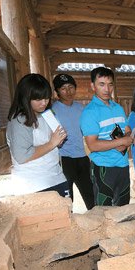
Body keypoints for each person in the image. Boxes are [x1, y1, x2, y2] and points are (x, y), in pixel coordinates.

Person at [6, 73, 69, 196]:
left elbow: (55, 143)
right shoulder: (19, 120)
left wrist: (59, 140)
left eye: (46, 98)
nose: (44, 103)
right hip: (33, 184)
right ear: (25, 97)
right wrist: (52, 143)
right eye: (38, 99)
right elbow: (22, 156)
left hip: (56, 177)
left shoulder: (47, 114)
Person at [80, 67, 133, 206]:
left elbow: (127, 129)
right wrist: (120, 142)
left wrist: (126, 139)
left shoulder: (118, 108)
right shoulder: (89, 112)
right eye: (101, 84)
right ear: (93, 86)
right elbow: (92, 145)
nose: (107, 89)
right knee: (104, 211)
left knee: (124, 208)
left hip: (123, 165)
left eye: (110, 84)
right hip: (103, 167)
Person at [52, 73, 95, 210]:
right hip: (64, 159)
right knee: (67, 199)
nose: (68, 91)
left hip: (82, 157)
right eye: (63, 88)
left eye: (71, 87)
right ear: (57, 91)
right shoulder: (52, 111)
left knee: (91, 195)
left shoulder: (81, 108)